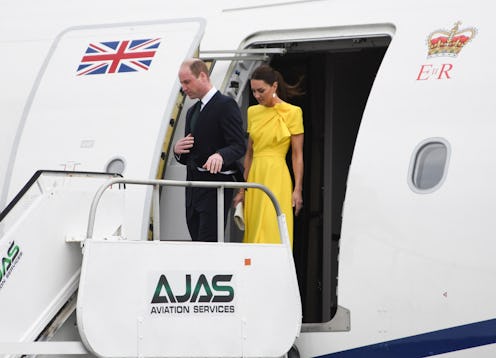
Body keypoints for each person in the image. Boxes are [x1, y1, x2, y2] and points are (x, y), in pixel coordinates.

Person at [174, 58, 246, 242]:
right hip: (193, 191)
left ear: (203, 76)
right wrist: (177, 150)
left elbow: (238, 146)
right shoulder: (191, 112)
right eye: (181, 83)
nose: (183, 87)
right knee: (196, 240)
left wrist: (221, 155)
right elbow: (190, 156)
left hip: (214, 189)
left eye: (187, 82)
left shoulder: (225, 105)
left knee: (208, 242)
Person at [233, 64, 304, 247]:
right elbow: (249, 154)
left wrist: (297, 189)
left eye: (261, 90)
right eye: (254, 91)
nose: (257, 96)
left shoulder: (293, 112)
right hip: (255, 176)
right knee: (255, 227)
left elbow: (297, 155)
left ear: (274, 86)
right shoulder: (253, 112)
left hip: (277, 176)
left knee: (273, 226)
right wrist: (242, 189)